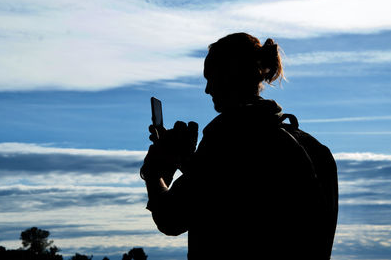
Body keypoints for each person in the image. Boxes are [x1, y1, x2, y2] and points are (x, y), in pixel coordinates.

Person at [140, 32, 338, 259]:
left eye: (211, 78)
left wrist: (155, 171)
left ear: (230, 75)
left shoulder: (227, 140)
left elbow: (171, 218)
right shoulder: (314, 148)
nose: (207, 90)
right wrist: (187, 162)